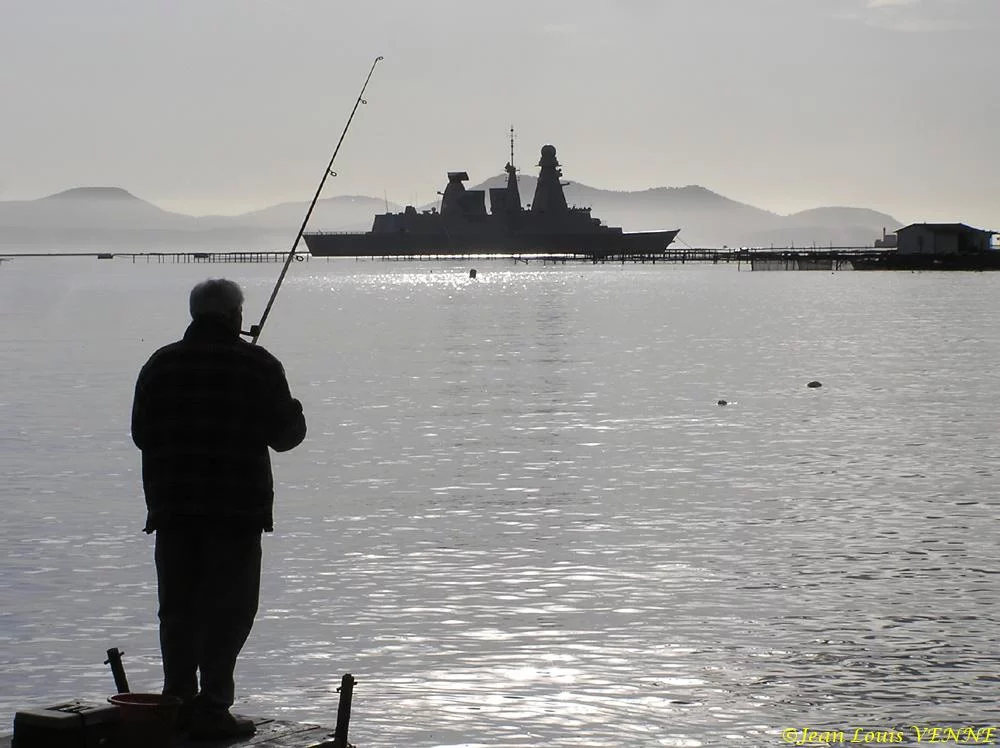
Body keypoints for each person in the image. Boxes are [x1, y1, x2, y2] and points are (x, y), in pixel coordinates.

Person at [131, 278, 306, 740]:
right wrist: (294, 409)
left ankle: (178, 700)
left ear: (194, 315)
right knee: (229, 610)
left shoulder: (160, 364)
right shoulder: (259, 365)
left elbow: (141, 434)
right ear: (233, 316)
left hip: (174, 510)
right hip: (236, 512)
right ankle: (212, 706)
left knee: (179, 609)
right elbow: (287, 437)